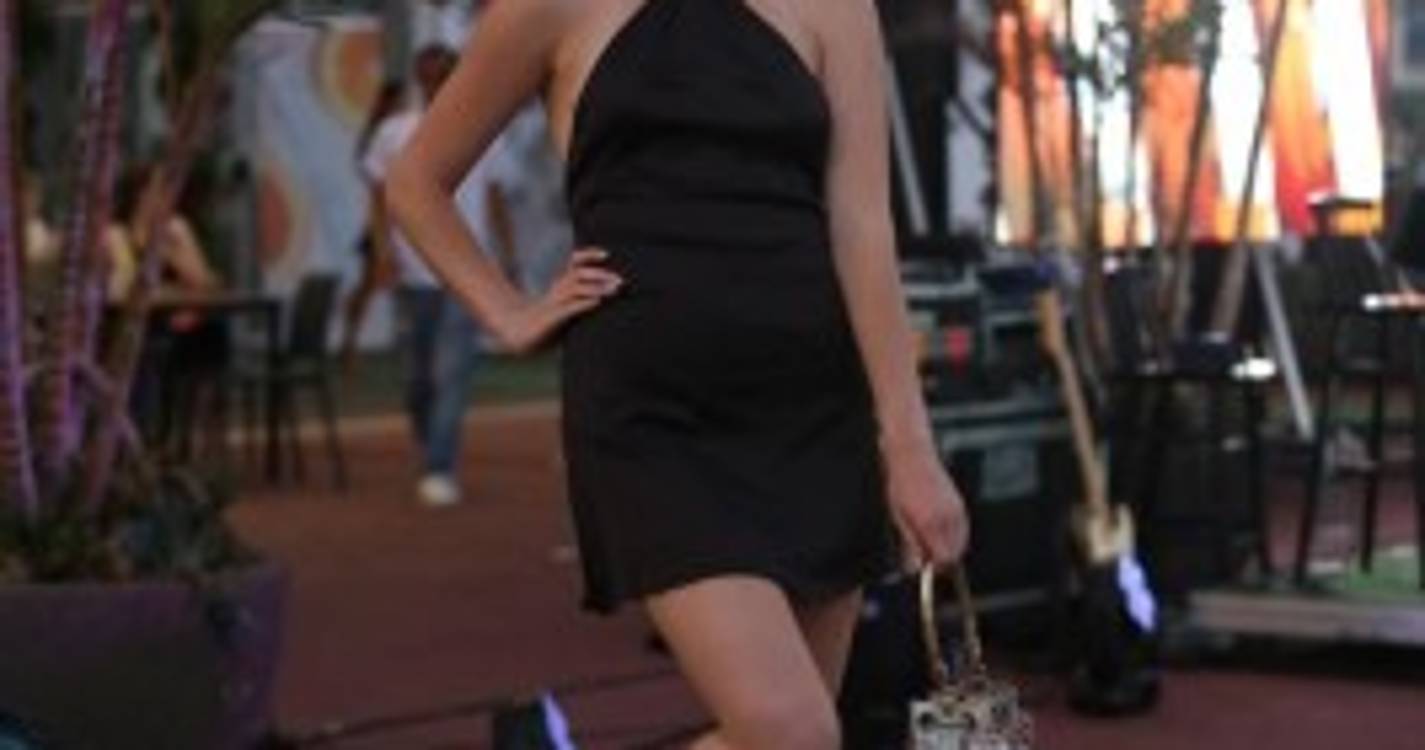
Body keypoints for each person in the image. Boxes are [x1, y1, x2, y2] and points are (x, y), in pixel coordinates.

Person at [385, 2, 969, 749]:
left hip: (817, 409)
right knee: (791, 732)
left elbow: (862, 226)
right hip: (654, 418)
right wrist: (505, 312)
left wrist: (910, 445)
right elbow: (416, 181)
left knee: (797, 738)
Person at [364, 45, 519, 508]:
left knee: (451, 374)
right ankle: (430, 439)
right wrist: (382, 251)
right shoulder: (394, 132)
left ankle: (439, 466)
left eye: (447, 75)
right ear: (420, 79)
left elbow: (496, 199)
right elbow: (378, 198)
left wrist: (509, 259)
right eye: (431, 77)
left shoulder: (487, 127)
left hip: (466, 274)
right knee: (418, 379)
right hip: (413, 273)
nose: (439, 84)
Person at [341, 79, 406, 367]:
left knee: (374, 287)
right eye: (397, 101)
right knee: (370, 286)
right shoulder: (381, 133)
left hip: (394, 221)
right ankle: (350, 341)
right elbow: (373, 181)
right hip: (383, 224)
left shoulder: (387, 132)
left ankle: (352, 340)